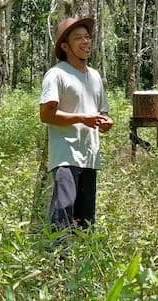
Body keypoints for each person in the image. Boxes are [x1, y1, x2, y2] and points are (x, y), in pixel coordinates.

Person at [39, 16, 114, 231]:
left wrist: (106, 121)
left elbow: (102, 112)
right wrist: (82, 118)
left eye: (87, 37)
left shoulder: (95, 76)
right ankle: (58, 260)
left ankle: (82, 261)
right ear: (65, 46)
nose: (85, 42)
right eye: (78, 38)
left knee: (86, 218)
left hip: (90, 156)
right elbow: (46, 115)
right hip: (65, 155)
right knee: (64, 209)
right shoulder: (57, 74)